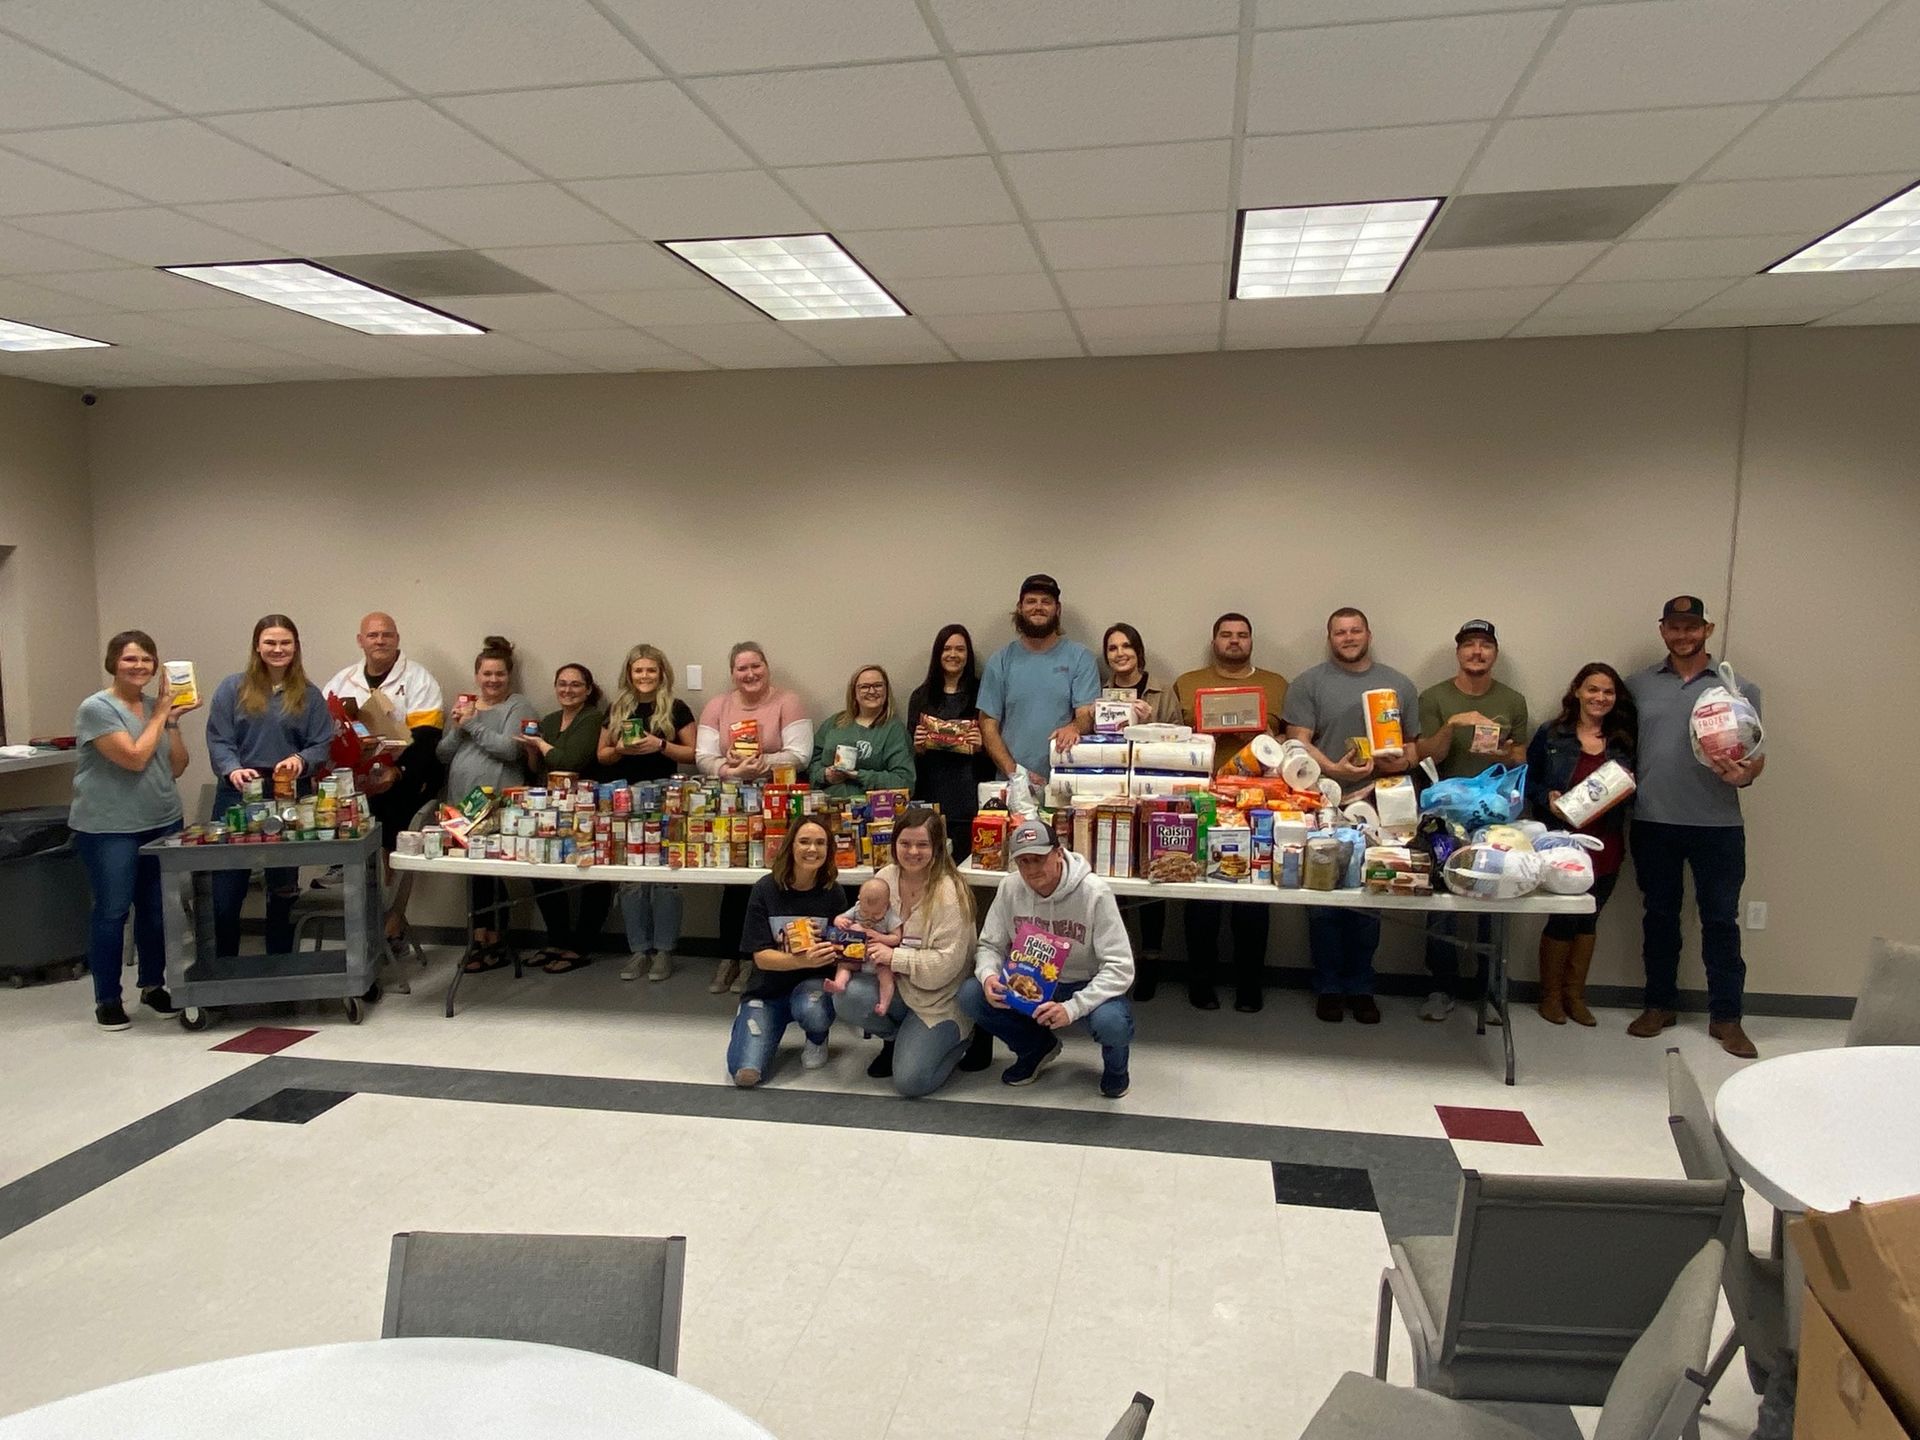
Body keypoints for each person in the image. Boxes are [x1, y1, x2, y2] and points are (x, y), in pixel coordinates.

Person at [1626, 597, 1765, 1058]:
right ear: (1662, 629)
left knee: (1721, 921)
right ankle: (1658, 1005)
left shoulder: (1737, 687)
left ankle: (1727, 1018)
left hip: (1718, 825)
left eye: (1692, 627)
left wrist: (1747, 775)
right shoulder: (1637, 687)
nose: (1682, 635)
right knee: (1659, 916)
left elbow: (1755, 754)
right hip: (1653, 821)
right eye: (1674, 627)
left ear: (1707, 629)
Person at [1281, 608, 1421, 1024]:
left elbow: (1412, 748)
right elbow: (1297, 742)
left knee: (1369, 897)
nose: (1348, 637)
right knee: (1323, 900)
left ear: (1368, 634)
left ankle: (1361, 986)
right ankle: (1327, 986)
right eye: (1340, 632)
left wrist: (1394, 765)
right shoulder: (1308, 683)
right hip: (1321, 801)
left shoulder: (1398, 685)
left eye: (1355, 630)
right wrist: (1337, 770)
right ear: (1330, 638)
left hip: (1381, 804)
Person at [70, 630, 195, 1030]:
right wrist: (161, 713)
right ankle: (107, 998)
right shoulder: (97, 708)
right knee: (112, 911)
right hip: (110, 828)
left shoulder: (152, 707)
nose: (139, 666)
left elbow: (176, 767)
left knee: (157, 912)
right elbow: (135, 759)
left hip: (161, 820)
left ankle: (153, 986)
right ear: (113, 663)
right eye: (129, 659)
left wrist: (171, 722)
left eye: (146, 659)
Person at [958, 818, 1135, 1098]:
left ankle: (1116, 1070)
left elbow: (1120, 967)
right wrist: (988, 975)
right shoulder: (1010, 888)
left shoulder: (1094, 893)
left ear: (1058, 853)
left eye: (1039, 859)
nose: (1031, 869)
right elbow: (989, 945)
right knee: (971, 994)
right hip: (1028, 983)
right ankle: (1035, 1049)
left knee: (1112, 1022)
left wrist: (1073, 1008)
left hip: (1082, 982)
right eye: (1023, 861)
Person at [1171, 612, 1291, 1011]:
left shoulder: (1276, 684)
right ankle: (1200, 981)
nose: (1234, 641)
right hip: (1203, 800)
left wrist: (1261, 737)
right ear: (1214, 640)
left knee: (1253, 896)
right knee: (1202, 894)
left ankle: (1249, 983)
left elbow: (1290, 743)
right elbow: (1171, 737)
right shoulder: (1187, 683)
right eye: (1226, 635)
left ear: (1251, 641)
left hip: (1259, 804)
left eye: (1242, 635)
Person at [1413, 619, 1530, 1023]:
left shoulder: (1512, 700)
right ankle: (1440, 987)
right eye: (1469, 645)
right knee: (1442, 902)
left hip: (1495, 816)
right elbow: (1426, 756)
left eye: (1485, 645)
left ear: (1494, 653)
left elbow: (1520, 757)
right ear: (1458, 652)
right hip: (1444, 817)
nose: (1477, 652)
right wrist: (1452, 726)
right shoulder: (1434, 697)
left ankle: (1489, 988)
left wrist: (1503, 751)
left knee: (1493, 898)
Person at [203, 614, 334, 961]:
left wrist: (300, 761)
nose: (278, 649)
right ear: (258, 646)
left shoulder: (308, 694)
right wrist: (232, 770)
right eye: (271, 643)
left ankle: (280, 965)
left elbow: (322, 744)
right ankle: (223, 970)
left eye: (285, 643)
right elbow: (219, 740)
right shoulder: (232, 689)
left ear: (295, 647)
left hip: (289, 795)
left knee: (283, 888)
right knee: (228, 891)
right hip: (238, 795)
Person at [831, 809, 980, 1097]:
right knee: (845, 994)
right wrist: (850, 932)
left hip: (938, 999)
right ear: (894, 844)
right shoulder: (885, 877)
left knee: (911, 1083)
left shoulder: (951, 894)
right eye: (905, 843)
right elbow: (865, 919)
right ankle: (895, 1039)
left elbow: (945, 967)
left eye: (922, 845)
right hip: (896, 987)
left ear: (937, 848)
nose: (913, 851)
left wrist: (893, 956)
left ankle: (964, 1038)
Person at [696, 641, 813, 995]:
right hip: (732, 807)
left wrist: (761, 764)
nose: (749, 674)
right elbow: (703, 757)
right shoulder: (718, 705)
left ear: (767, 667)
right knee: (733, 882)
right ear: (732, 672)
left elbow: (801, 755)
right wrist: (732, 770)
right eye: (742, 668)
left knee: (772, 883)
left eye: (755, 666)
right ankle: (729, 956)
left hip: (780, 805)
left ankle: (757, 959)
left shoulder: (788, 702)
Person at [322, 612, 444, 944]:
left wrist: (398, 771)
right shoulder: (342, 681)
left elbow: (429, 738)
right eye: (373, 635)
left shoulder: (419, 679)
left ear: (397, 639)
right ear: (360, 640)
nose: (380, 640)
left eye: (386, 634)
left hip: (403, 777)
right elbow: (322, 732)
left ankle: (393, 924)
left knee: (394, 850)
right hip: (354, 781)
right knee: (352, 850)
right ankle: (361, 926)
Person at [1527, 663, 1637, 1027]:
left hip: (1606, 842)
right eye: (1592, 689)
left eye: (1607, 692)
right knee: (1561, 920)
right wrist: (1549, 797)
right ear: (1577, 691)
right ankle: (1551, 996)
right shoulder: (1553, 735)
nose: (1599, 698)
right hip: (1562, 844)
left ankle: (1575, 995)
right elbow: (1529, 783)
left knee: (1589, 919)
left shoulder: (1624, 740)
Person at [436, 636, 538, 971]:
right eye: (486, 674)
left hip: (497, 802)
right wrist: (457, 726)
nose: (492, 680)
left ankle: (496, 940)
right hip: (460, 804)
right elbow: (443, 754)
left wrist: (473, 725)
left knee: (493, 872)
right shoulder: (466, 706)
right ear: (477, 675)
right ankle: (477, 940)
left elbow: (510, 750)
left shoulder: (517, 706)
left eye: (499, 674)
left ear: (509, 676)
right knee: (474, 874)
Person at [597, 644, 697, 984]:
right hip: (624, 800)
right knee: (632, 881)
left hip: (666, 800)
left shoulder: (677, 708)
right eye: (638, 670)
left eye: (650, 670)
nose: (644, 676)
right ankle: (639, 950)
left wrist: (661, 745)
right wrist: (621, 749)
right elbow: (602, 756)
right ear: (629, 673)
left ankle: (664, 952)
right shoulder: (616, 708)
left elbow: (694, 754)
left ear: (662, 673)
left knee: (665, 881)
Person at [726, 817, 850, 1088]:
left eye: (820, 843)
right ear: (790, 846)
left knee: (813, 1011)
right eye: (804, 841)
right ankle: (750, 1019)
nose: (812, 849)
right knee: (746, 1075)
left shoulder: (834, 892)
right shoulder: (765, 889)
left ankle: (817, 1037)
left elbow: (842, 948)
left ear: (829, 850)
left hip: (812, 987)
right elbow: (760, 957)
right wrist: (802, 959)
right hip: (766, 990)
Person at [520, 662, 612, 974]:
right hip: (550, 806)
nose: (567, 690)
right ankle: (557, 938)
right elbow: (539, 769)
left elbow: (570, 761)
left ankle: (582, 945)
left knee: (592, 874)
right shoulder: (548, 719)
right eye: (562, 683)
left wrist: (541, 744)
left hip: (588, 807)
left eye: (575, 684)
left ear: (588, 689)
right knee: (541, 868)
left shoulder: (593, 718)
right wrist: (532, 750)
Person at [977, 574, 1099, 786]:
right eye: (1031, 601)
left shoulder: (1080, 658)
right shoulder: (1001, 660)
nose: (1038, 607)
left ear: (1057, 609)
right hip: (1011, 785)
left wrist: (1073, 728)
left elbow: (1086, 715)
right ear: (1020, 607)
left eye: (1046, 601)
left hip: (1066, 784)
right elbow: (987, 725)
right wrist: (1015, 773)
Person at [905, 624, 992, 861]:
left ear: (968, 655)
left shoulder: (983, 693)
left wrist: (981, 746)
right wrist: (919, 745)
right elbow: (912, 751)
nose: (953, 654)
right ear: (938, 653)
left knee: (966, 868)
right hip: (932, 793)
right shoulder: (920, 696)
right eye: (947, 649)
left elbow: (994, 744)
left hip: (969, 793)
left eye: (960, 649)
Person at [807, 664, 914, 800]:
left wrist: (858, 775)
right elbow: (811, 765)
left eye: (878, 685)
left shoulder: (894, 730)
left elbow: (904, 781)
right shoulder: (834, 723)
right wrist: (825, 775)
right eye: (864, 687)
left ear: (887, 690)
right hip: (828, 806)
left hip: (873, 811)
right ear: (854, 693)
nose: (871, 691)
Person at [823, 876, 905, 1015]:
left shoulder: (891, 916)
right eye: (865, 912)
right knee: (844, 965)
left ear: (887, 905)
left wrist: (878, 936)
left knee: (886, 976)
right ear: (859, 899)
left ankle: (884, 1004)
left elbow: (896, 938)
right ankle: (839, 984)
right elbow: (839, 918)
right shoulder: (856, 909)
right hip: (857, 953)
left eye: (877, 914)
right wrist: (840, 922)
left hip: (878, 957)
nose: (869, 917)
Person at [1101, 623, 1181, 725]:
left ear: (1138, 651)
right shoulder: (1100, 692)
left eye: (1127, 646)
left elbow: (1179, 736)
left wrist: (1150, 722)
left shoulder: (1164, 692)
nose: (1120, 653)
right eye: (1113, 648)